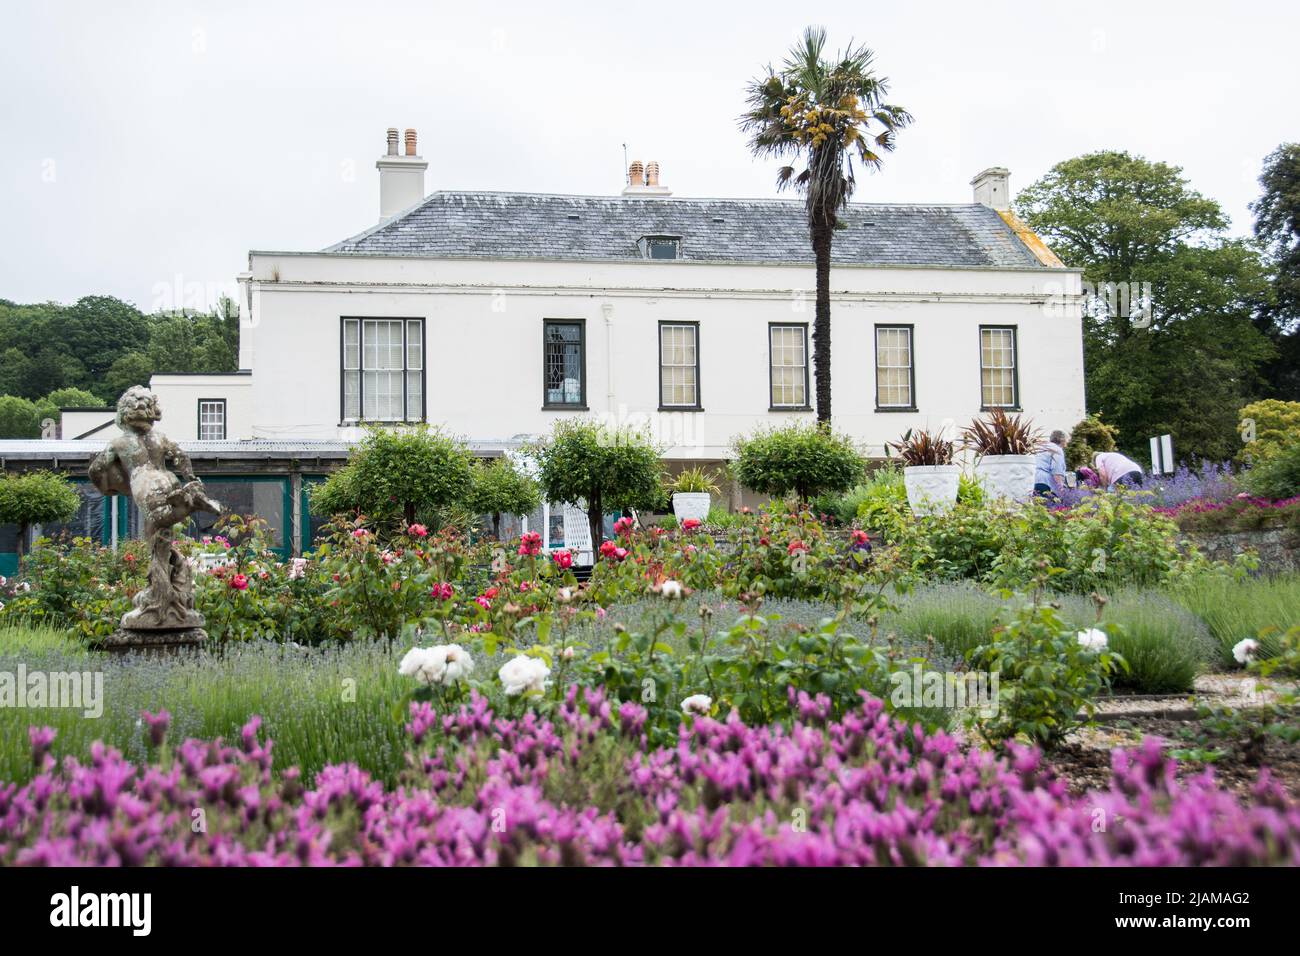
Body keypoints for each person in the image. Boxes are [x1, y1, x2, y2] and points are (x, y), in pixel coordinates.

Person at [1034, 430, 1069, 499]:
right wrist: (1061, 489)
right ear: (1062, 440)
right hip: (1045, 483)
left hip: (1034, 480)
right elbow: (1056, 471)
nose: (1067, 443)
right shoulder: (1057, 450)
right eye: (1067, 440)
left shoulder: (1043, 447)